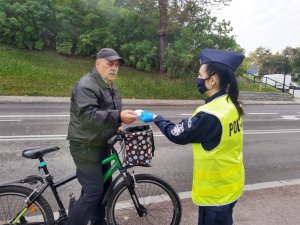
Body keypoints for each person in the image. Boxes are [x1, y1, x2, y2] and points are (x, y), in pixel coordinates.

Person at [139, 48, 245, 225]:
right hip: (232, 186)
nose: (197, 79)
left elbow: (177, 134)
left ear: (212, 80)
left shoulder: (211, 114)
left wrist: (156, 118)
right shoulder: (231, 104)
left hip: (215, 194)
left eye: (199, 75)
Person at [66, 48, 138, 225]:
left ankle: (98, 222)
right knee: (93, 191)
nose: (114, 68)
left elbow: (106, 113)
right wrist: (118, 116)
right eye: (109, 63)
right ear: (98, 63)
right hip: (85, 145)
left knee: (105, 187)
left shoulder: (109, 85)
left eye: (116, 65)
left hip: (101, 144)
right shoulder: (86, 85)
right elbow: (88, 115)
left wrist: (117, 128)